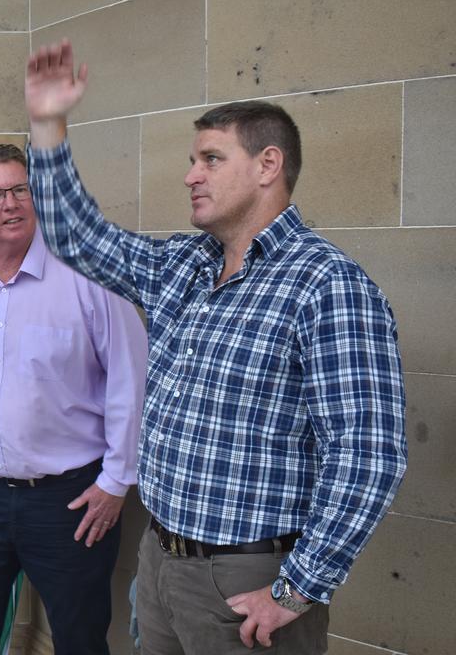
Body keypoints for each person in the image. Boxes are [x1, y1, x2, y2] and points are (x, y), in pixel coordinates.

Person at [23, 39, 407, 654]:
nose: (190, 175)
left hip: (250, 579)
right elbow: (78, 238)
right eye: (192, 159)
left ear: (267, 165)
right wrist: (47, 124)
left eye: (210, 158)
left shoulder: (328, 286)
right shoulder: (184, 266)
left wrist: (296, 589)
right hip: (162, 559)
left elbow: (367, 455)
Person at [0, 144, 148, 654]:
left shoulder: (91, 280)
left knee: (80, 640)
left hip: (73, 501)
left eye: (21, 189)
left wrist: (116, 482)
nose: (11, 204)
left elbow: (132, 383)